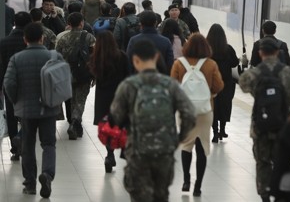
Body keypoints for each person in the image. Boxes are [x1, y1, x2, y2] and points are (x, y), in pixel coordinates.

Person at [110, 39, 196, 202]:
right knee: (160, 195)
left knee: (139, 197)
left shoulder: (128, 85)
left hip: (137, 151)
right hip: (164, 151)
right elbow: (189, 114)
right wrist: (178, 139)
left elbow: (115, 116)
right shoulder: (170, 85)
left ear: (135, 60)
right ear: (157, 57)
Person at [239, 37, 290, 202]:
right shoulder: (289, 73)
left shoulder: (253, 74)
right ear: (277, 52)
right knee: (283, 162)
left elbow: (243, 85)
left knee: (262, 163)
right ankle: (281, 194)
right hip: (284, 127)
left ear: (260, 53)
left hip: (260, 127)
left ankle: (265, 195)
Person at [3, 23, 60, 198]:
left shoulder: (17, 58)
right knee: (49, 144)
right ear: (42, 38)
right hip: (49, 109)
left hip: (26, 110)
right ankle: (47, 175)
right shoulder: (53, 56)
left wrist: (16, 102)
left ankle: (30, 184)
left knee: (27, 146)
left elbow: (9, 84)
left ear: (25, 39)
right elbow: (64, 80)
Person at [170, 34, 224, 197]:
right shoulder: (211, 64)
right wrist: (211, 94)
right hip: (205, 110)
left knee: (187, 145)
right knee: (202, 147)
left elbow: (172, 86)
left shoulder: (179, 63)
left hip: (185, 110)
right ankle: (198, 186)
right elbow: (219, 86)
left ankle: (186, 179)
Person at [88, 31, 129, 173]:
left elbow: (93, 74)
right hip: (120, 95)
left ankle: (110, 154)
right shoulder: (122, 56)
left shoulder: (96, 58)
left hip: (103, 97)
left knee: (108, 126)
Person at [56, 12, 96, 140]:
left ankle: (74, 122)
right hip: (83, 73)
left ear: (69, 24)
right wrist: (94, 74)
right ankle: (74, 123)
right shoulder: (89, 37)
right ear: (81, 23)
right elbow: (94, 56)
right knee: (80, 100)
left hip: (66, 74)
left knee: (71, 98)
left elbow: (57, 57)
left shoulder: (62, 38)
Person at [0, 11, 31, 160]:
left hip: (9, 84)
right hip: (28, 84)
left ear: (14, 22)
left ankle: (14, 148)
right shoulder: (30, 42)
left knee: (12, 116)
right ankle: (22, 139)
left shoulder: (4, 42)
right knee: (27, 115)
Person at [206, 23, 239, 142]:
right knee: (225, 105)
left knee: (213, 106)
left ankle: (215, 133)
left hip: (210, 82)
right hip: (226, 82)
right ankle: (222, 130)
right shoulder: (228, 48)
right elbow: (235, 63)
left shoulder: (206, 48)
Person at [127, 11, 174, 75]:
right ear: (156, 23)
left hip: (139, 79)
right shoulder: (166, 41)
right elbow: (170, 64)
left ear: (140, 23)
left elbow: (129, 62)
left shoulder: (133, 40)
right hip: (160, 80)